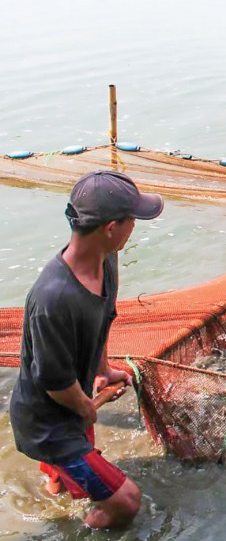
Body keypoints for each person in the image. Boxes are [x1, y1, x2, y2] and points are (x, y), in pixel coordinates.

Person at [8, 170, 164, 530]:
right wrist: (83, 409)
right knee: (126, 502)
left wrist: (103, 369)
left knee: (63, 480)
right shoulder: (53, 299)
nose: (134, 228)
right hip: (49, 425)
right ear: (111, 227)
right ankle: (79, 529)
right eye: (132, 220)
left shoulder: (106, 260)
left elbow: (103, 318)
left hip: (70, 404)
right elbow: (55, 383)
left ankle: (55, 487)